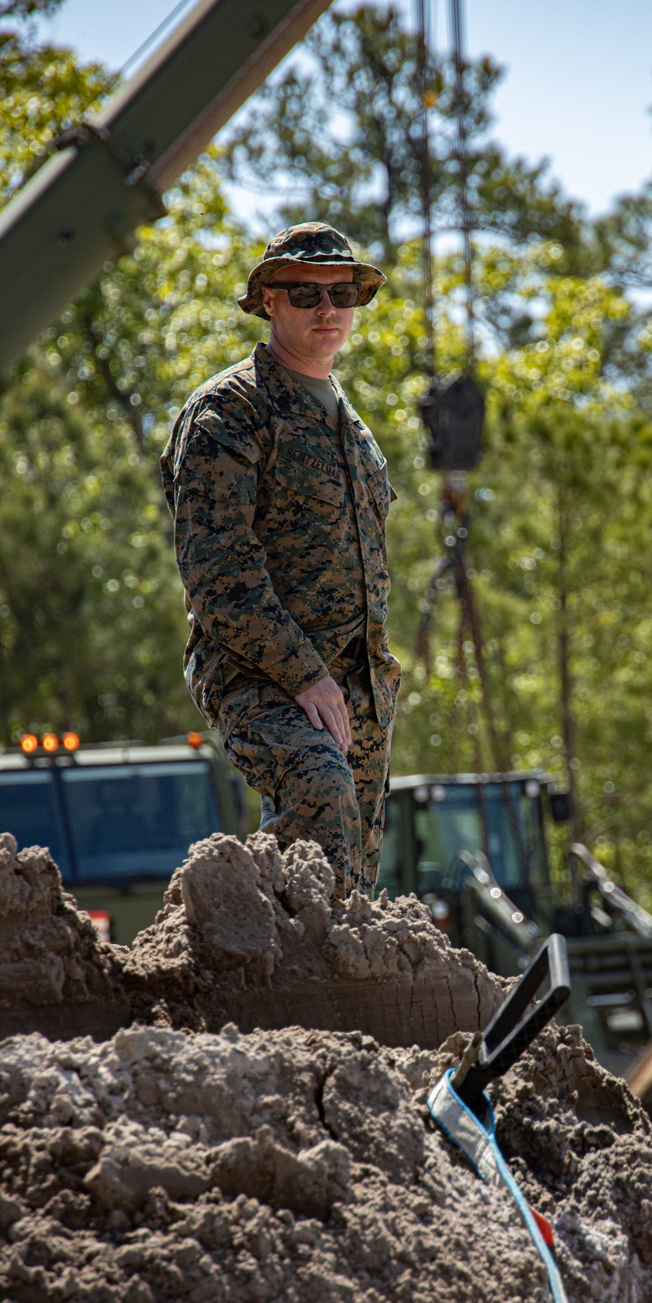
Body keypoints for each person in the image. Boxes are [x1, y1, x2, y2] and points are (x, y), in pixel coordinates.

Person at [160, 222, 400, 899]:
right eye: (304, 293)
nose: (327, 309)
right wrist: (303, 674)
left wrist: (367, 682)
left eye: (343, 293)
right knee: (317, 787)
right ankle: (253, 957)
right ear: (268, 301)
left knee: (351, 885)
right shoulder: (230, 412)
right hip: (261, 675)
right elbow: (217, 574)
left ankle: (326, 995)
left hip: (359, 689)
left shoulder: (351, 426)